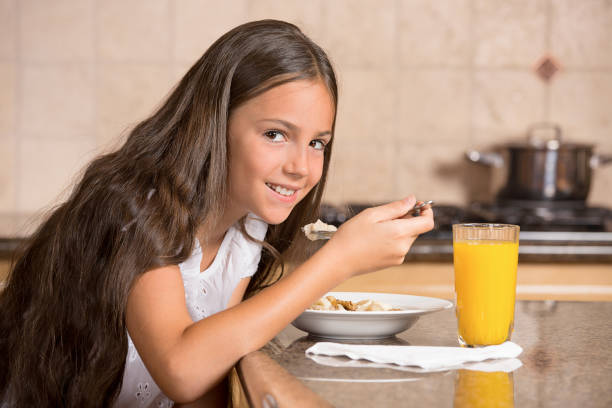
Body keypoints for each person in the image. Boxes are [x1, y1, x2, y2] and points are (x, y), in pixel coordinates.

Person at [0, 20, 434, 407]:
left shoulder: (246, 228)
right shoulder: (136, 207)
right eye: (275, 134)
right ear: (215, 123)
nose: (301, 167)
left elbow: (208, 375)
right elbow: (181, 371)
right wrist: (337, 260)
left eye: (317, 143)